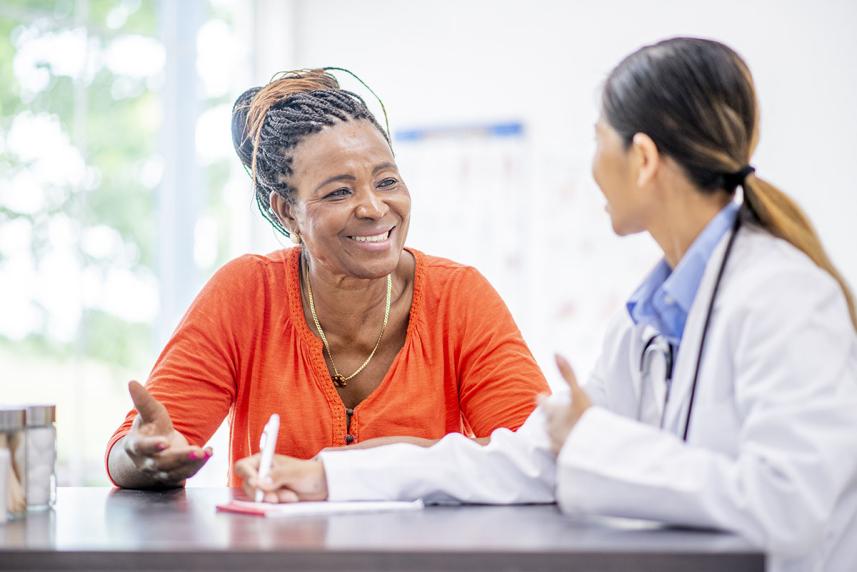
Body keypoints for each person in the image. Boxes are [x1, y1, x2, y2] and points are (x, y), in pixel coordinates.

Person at [234, 39, 857, 571]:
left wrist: (595, 446)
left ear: (641, 160)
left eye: (597, 141)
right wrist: (330, 478)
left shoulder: (785, 299)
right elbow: (533, 459)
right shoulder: (647, 320)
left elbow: (790, 509)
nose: (590, 168)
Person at [105, 69, 548, 489]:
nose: (374, 208)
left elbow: (537, 455)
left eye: (387, 181)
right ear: (287, 212)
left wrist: (345, 471)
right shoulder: (246, 294)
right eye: (339, 191)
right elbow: (133, 453)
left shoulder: (459, 297)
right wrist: (144, 454)